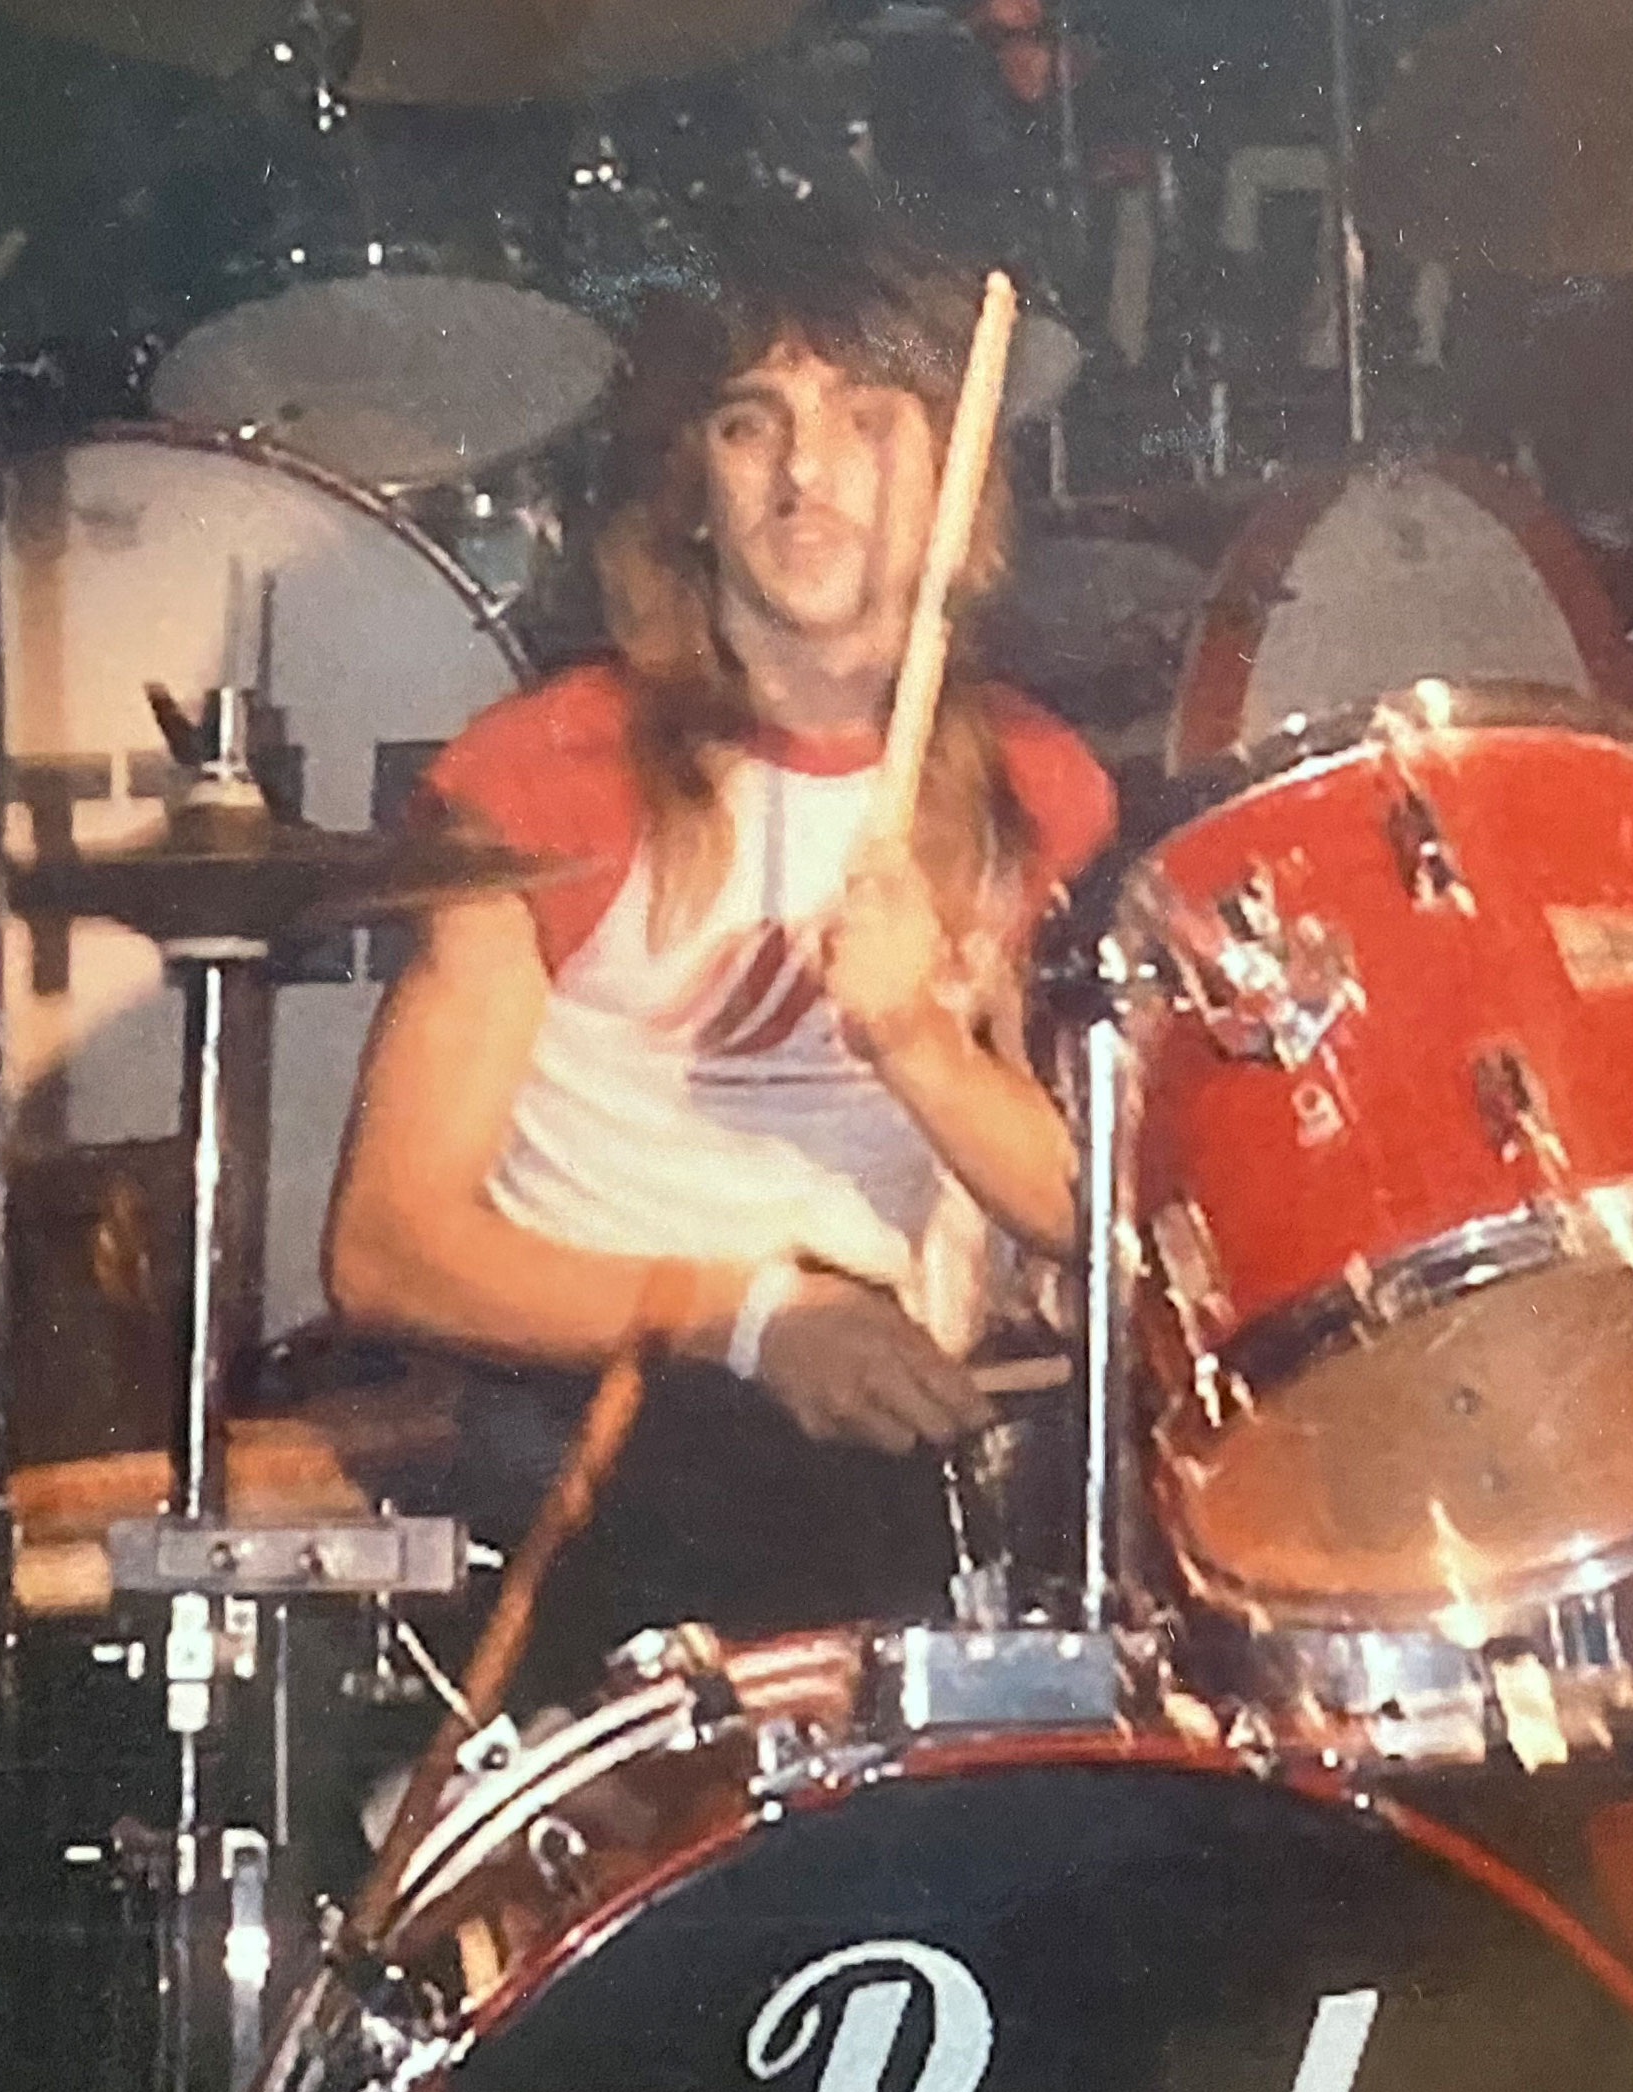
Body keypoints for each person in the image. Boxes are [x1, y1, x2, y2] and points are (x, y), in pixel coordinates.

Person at [318, 208, 1115, 1705]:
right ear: (694, 487)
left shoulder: (1031, 784)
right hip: (610, 1409)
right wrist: (749, 1320)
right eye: (755, 426)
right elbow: (387, 1246)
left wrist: (922, 1049)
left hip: (900, 1418)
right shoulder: (553, 774)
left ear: (949, 477)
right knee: (759, 1481)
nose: (806, 476)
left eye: (867, 421)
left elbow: (1090, 1215)